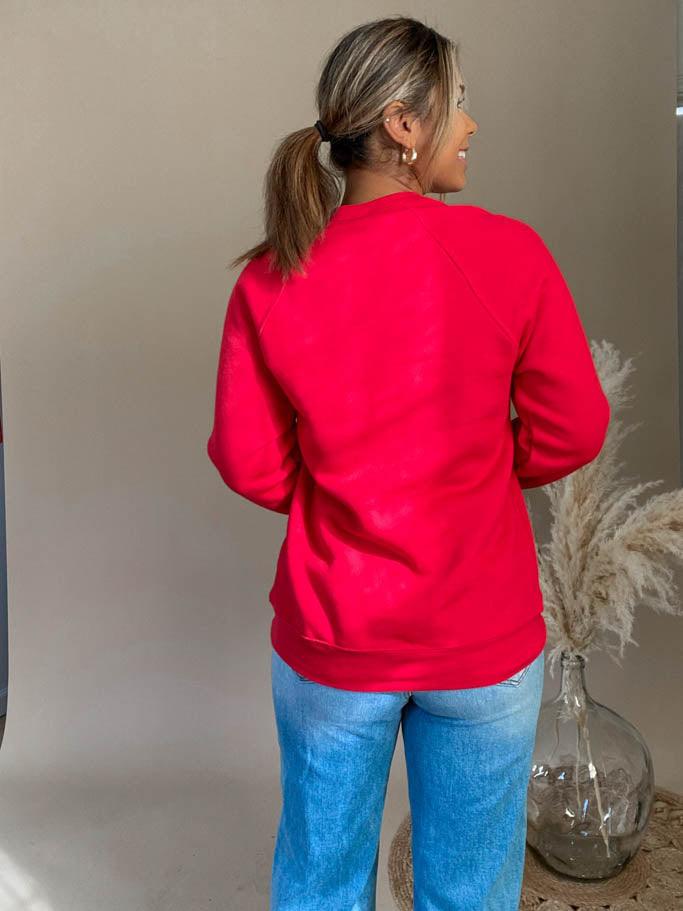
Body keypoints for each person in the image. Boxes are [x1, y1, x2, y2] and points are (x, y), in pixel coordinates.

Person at [207, 14, 610, 911]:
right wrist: (479, 468)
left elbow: (247, 459)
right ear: (402, 123)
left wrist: (339, 488)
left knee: (319, 884)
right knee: (469, 893)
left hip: (334, 636)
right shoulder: (509, 253)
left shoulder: (271, 275)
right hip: (482, 636)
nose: (469, 124)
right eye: (457, 103)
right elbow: (573, 428)